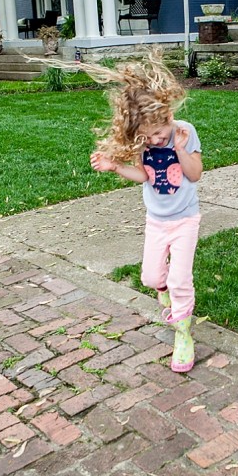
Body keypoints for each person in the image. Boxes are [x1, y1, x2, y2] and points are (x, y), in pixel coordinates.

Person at [82, 48, 203, 373]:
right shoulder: (142, 141)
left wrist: (177, 148)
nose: (154, 139)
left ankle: (183, 335)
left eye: (158, 132)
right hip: (156, 221)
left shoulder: (183, 132)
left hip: (185, 220)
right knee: (151, 277)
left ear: (167, 114)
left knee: (180, 279)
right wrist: (115, 166)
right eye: (147, 136)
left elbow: (195, 174)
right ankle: (166, 295)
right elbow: (144, 176)